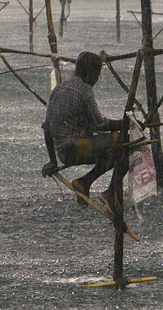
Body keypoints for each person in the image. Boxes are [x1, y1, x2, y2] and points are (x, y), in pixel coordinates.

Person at [41, 51, 122, 212]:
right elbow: (99, 124)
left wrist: (53, 160)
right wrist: (124, 124)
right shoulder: (84, 90)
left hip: (64, 154)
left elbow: (47, 128)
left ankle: (85, 182)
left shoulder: (58, 89)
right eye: (97, 75)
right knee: (123, 141)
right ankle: (109, 192)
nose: (97, 79)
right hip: (77, 149)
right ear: (90, 72)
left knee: (116, 152)